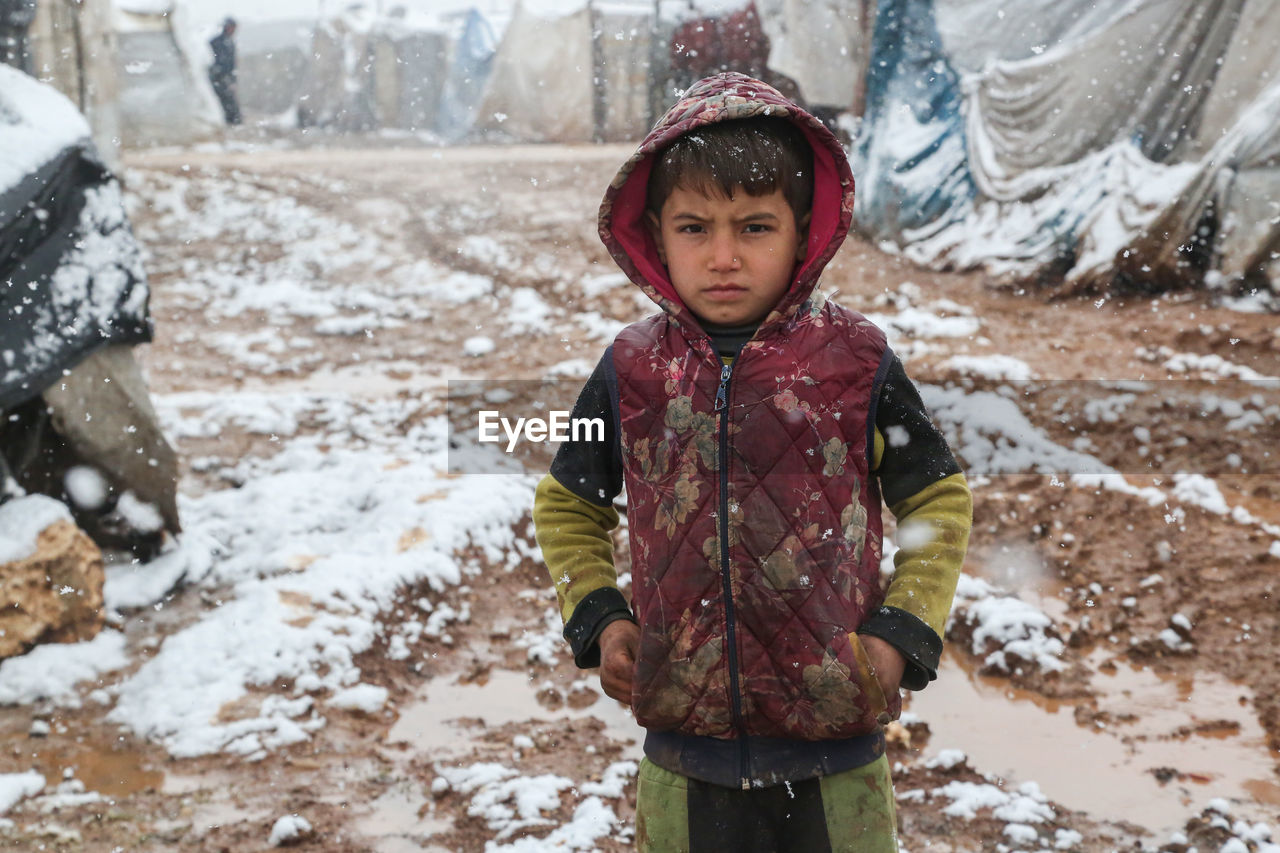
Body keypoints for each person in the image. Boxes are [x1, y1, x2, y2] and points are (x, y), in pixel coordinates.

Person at [533, 72, 972, 852]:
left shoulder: (857, 362)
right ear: (655, 235)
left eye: (756, 227)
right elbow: (569, 502)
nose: (724, 256)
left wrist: (900, 634)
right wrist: (601, 617)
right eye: (695, 227)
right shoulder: (633, 368)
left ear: (805, 231)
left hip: (837, 757)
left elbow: (937, 497)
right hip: (683, 756)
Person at [208, 17, 240, 126]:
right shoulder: (216, 42)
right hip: (217, 77)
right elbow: (213, 60)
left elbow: (232, 64)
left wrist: (233, 80)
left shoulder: (230, 42)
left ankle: (232, 123)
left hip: (225, 78)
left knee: (229, 102)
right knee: (224, 102)